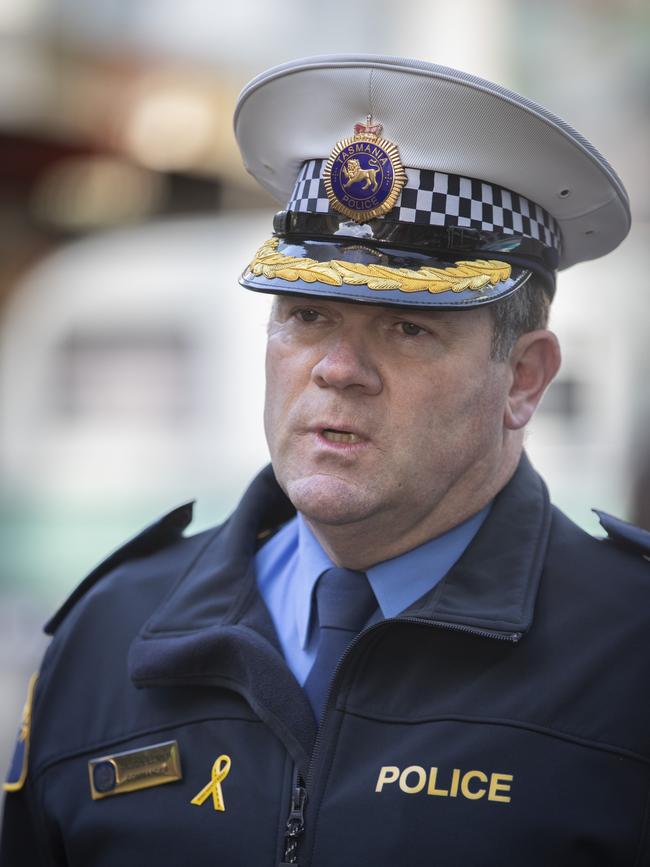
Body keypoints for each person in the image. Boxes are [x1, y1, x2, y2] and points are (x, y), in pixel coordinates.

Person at [2, 55, 649, 867]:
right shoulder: (113, 632)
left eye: (408, 326)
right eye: (306, 314)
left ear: (522, 378)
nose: (337, 368)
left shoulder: (630, 652)